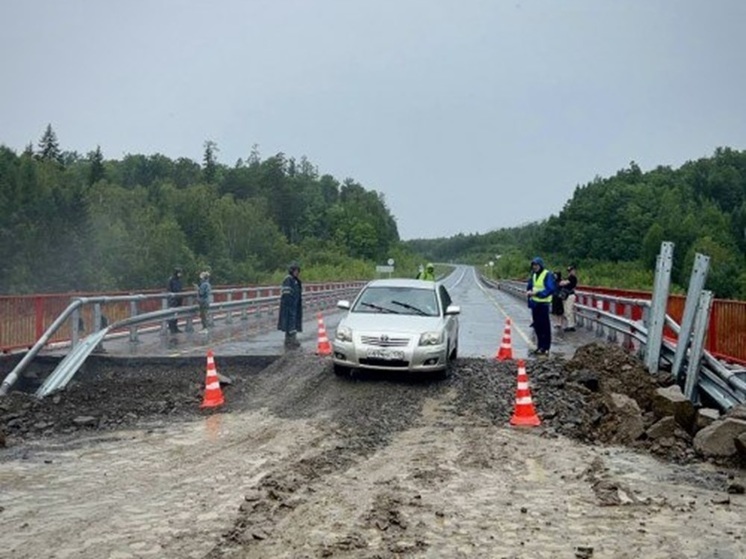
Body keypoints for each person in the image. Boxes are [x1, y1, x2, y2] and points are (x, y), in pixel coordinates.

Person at [527, 256, 556, 357]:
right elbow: (530, 285)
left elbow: (550, 289)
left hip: (543, 303)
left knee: (545, 326)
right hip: (535, 303)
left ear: (540, 265)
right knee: (537, 326)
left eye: (536, 265)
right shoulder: (534, 275)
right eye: (533, 265)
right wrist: (529, 292)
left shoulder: (547, 274)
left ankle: (546, 347)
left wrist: (538, 294)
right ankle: (540, 346)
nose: (534, 267)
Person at [278, 261, 303, 349]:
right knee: (290, 321)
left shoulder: (296, 280)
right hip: (289, 305)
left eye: (298, 271)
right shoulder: (288, 279)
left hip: (295, 305)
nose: (297, 273)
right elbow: (286, 293)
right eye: (295, 271)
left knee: (293, 321)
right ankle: (291, 339)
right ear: (291, 271)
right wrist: (289, 304)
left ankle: (289, 339)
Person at [559, 264, 579, 332]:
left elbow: (563, 283)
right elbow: (562, 283)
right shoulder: (569, 277)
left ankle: (571, 326)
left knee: (569, 311)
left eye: (571, 270)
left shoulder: (572, 278)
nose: (570, 272)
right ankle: (570, 325)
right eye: (569, 271)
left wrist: (562, 282)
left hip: (570, 295)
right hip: (567, 295)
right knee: (567, 310)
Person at [167, 267, 184, 334]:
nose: (180, 274)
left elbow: (180, 289)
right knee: (172, 314)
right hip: (173, 299)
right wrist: (172, 298)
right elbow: (169, 289)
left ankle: (175, 327)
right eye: (179, 272)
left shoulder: (179, 280)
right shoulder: (171, 280)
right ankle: (172, 328)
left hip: (179, 298)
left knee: (176, 314)